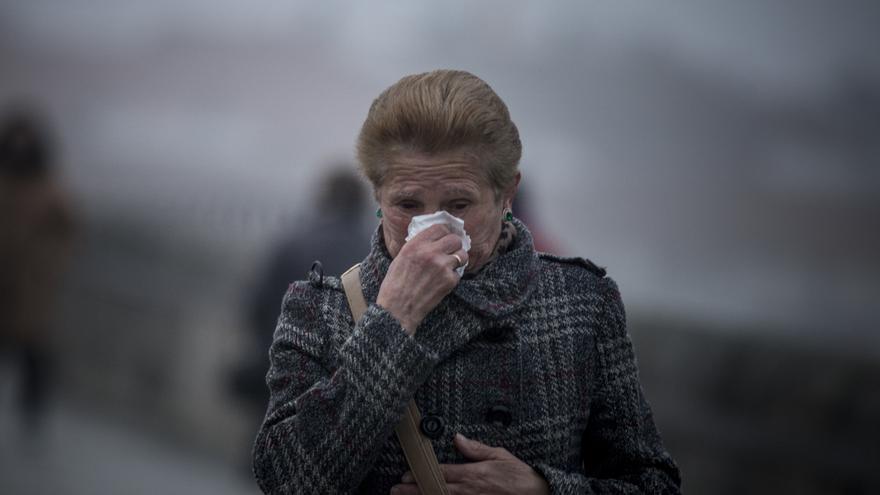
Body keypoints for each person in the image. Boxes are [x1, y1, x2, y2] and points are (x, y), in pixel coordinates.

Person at [252, 70, 681, 494]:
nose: (432, 226)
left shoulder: (582, 303)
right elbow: (288, 482)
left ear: (506, 194)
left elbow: (653, 484)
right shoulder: (319, 309)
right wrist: (392, 321)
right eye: (407, 203)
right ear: (377, 196)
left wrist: (544, 490)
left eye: (459, 203)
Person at [0, 107, 76, 431]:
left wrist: (45, 264)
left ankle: (33, 412)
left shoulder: (50, 190)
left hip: (30, 285)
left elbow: (69, 233)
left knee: (32, 348)